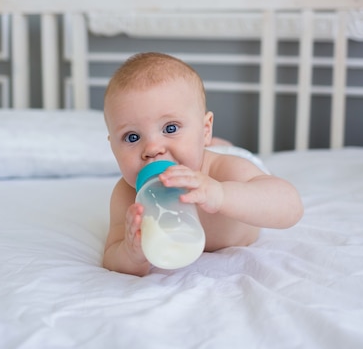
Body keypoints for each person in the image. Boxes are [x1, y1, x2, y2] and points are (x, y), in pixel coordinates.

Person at [102, 52, 303, 276]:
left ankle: (218, 144)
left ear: (205, 128)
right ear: (113, 148)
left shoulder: (226, 171)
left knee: (234, 157)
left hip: (223, 160)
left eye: (170, 128)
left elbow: (291, 207)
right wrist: (130, 253)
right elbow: (112, 255)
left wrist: (220, 194)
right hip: (199, 153)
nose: (152, 148)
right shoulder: (126, 196)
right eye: (132, 137)